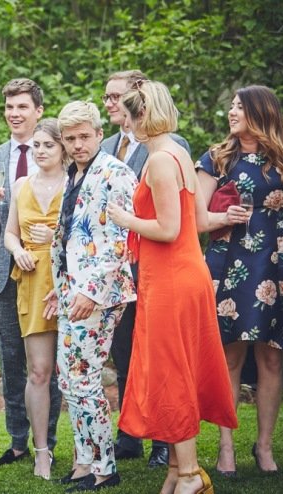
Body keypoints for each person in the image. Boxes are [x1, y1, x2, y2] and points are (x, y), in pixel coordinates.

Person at [108, 80, 238, 494]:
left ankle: (188, 474)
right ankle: (179, 470)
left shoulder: (161, 160)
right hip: (181, 274)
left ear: (143, 116)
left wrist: (124, 218)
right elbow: (200, 222)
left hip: (171, 279)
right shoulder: (178, 153)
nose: (126, 126)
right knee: (174, 369)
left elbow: (170, 228)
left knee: (172, 374)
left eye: (128, 118)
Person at [196, 85, 283, 477]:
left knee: (272, 354)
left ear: (261, 111)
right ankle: (226, 448)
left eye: (239, 106)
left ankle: (264, 446)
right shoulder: (217, 158)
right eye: (231, 106)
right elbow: (196, 220)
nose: (231, 111)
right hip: (230, 263)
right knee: (230, 354)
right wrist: (225, 219)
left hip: (276, 262)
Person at [100, 70, 190, 468]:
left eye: (118, 97)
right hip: (119, 265)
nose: (112, 105)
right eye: (107, 98)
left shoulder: (166, 149)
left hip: (157, 264)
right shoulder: (104, 146)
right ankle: (130, 435)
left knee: (159, 356)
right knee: (125, 351)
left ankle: (163, 446)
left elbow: (173, 223)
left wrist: (124, 219)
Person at [44, 101, 136, 492]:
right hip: (70, 289)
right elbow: (70, 235)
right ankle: (84, 461)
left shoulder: (116, 173)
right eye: (71, 138)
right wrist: (60, 283)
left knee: (84, 379)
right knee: (69, 380)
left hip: (99, 294)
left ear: (100, 134)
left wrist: (91, 293)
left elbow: (120, 243)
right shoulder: (73, 174)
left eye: (85, 136)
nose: (78, 144)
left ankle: (104, 467)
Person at [0, 78, 61, 467]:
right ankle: (17, 441)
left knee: (51, 361)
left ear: (38, 111)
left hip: (49, 276)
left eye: (22, 107)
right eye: (9, 108)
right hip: (5, 271)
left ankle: (52, 439)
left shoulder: (61, 158)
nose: (14, 114)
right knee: (11, 361)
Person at [2, 118, 67, 480]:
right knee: (38, 371)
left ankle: (88, 450)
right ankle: (42, 451)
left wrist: (55, 234)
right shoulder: (21, 184)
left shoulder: (74, 184)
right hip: (32, 280)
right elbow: (10, 233)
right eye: (37, 145)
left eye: (48, 146)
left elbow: (89, 233)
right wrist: (17, 250)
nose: (40, 151)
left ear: (63, 150)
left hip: (68, 281)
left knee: (74, 373)